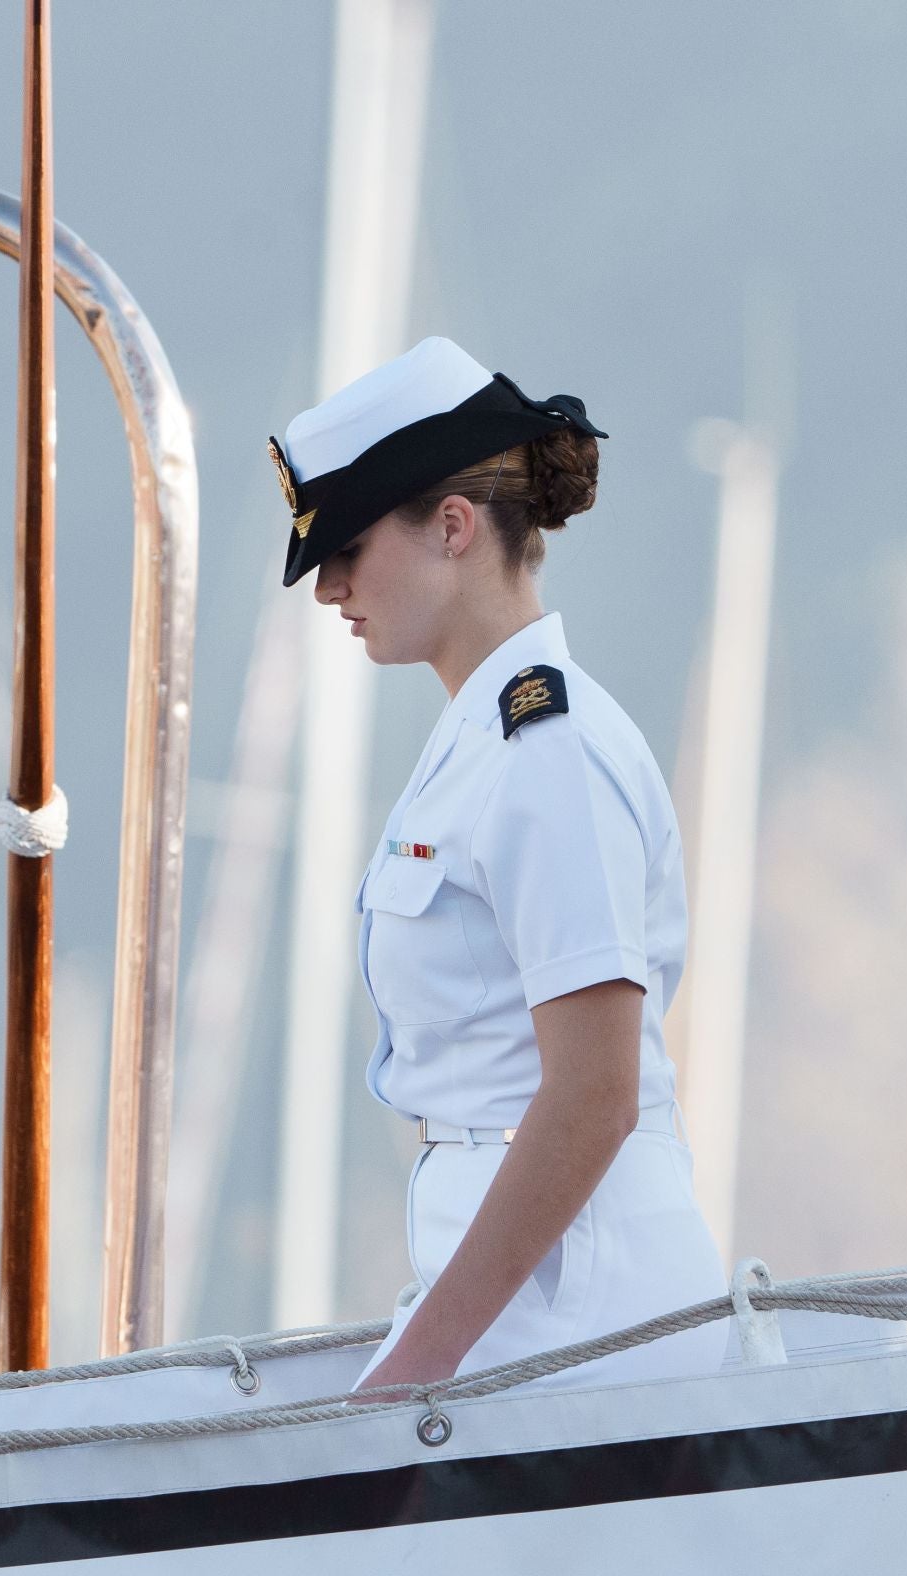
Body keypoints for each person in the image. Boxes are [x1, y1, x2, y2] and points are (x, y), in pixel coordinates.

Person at [268, 336, 728, 1394]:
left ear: (451, 525)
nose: (329, 583)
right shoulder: (481, 740)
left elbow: (593, 1093)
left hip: (582, 1310)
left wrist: (418, 1364)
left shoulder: (545, 750)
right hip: (529, 1289)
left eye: (345, 544)